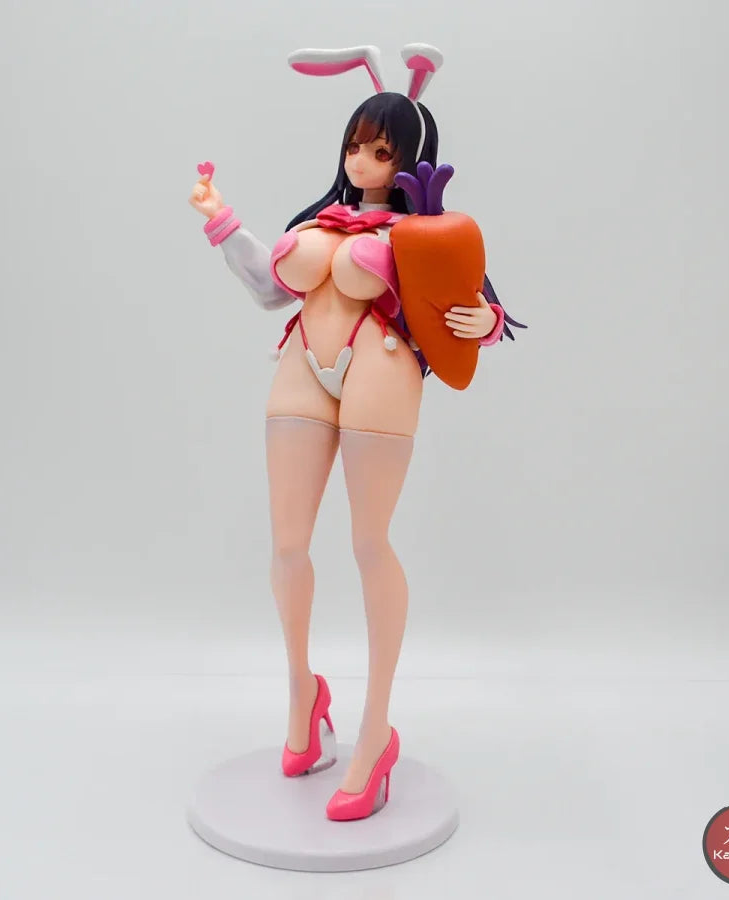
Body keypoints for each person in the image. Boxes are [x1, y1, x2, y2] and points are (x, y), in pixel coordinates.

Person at [190, 44, 525, 821]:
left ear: (410, 158)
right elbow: (271, 286)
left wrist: (487, 319)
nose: (363, 161)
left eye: (382, 149)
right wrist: (223, 222)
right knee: (287, 544)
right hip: (302, 365)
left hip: (382, 369)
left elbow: (470, 294)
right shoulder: (319, 222)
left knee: (369, 543)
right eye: (355, 145)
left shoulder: (425, 232)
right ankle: (303, 696)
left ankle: (376, 733)